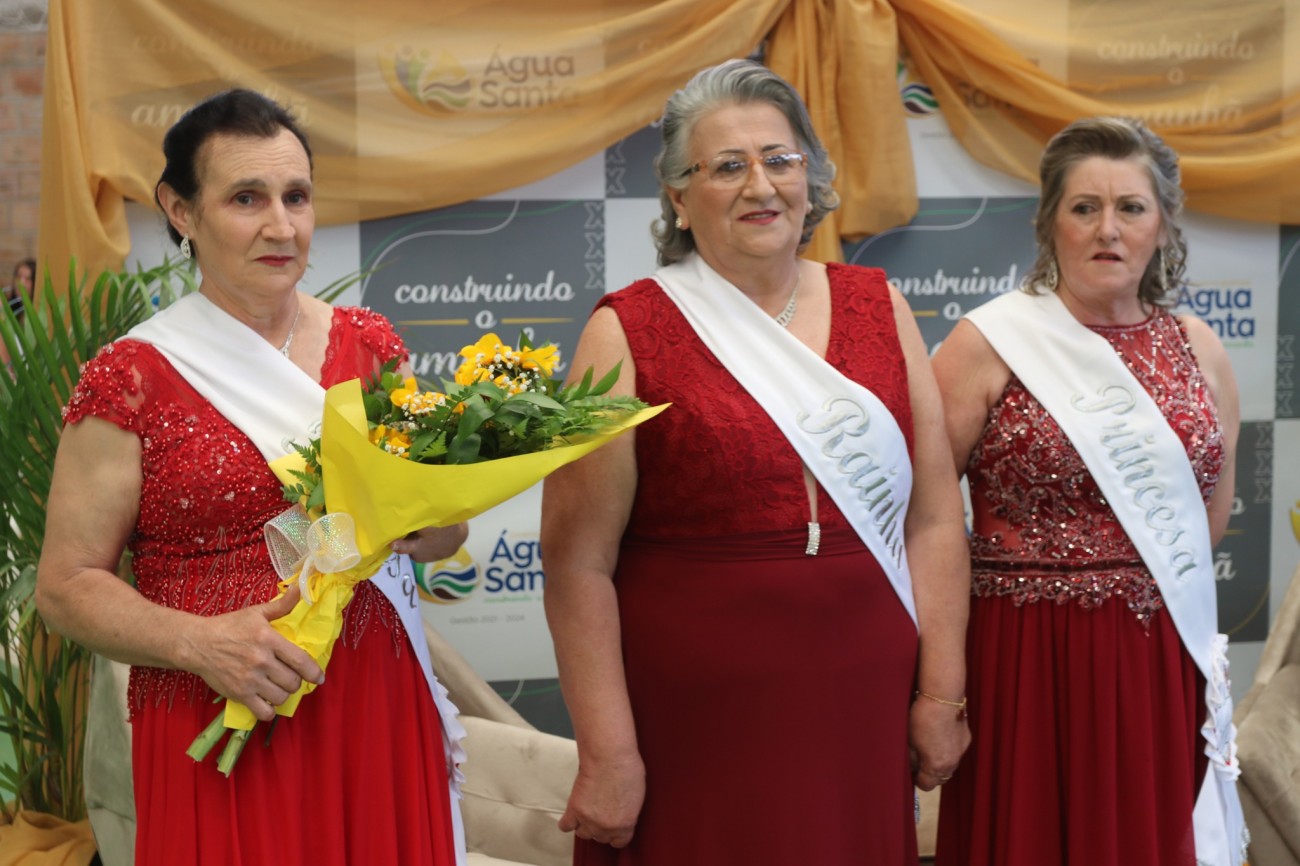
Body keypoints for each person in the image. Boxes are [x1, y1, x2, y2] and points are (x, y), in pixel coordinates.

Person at [540, 59, 971, 865]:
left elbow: (936, 516)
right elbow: (575, 566)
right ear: (676, 195)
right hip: (696, 717)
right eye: (727, 167)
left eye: (780, 159)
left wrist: (943, 693)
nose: (760, 186)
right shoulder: (624, 330)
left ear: (811, 178)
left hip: (860, 699)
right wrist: (606, 749)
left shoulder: (882, 305)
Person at [35, 90, 469, 866]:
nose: (282, 226)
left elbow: (441, 534)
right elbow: (66, 584)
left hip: (374, 702)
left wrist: (427, 523)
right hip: (218, 701)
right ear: (180, 210)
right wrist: (199, 642)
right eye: (246, 198)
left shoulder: (374, 349)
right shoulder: (131, 377)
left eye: (296, 197)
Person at [932, 116, 1247, 866]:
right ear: (1049, 223)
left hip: (1156, 662)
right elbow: (922, 514)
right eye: (1084, 208)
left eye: (1131, 208)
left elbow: (1210, 510)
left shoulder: (1199, 346)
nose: (1108, 229)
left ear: (1163, 224)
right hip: (1023, 664)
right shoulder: (989, 342)